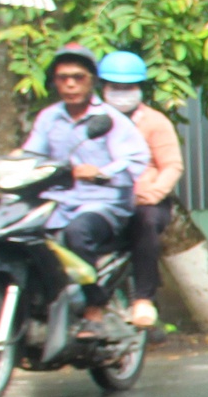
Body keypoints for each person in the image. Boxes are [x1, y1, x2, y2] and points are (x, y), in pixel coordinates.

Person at [21, 45, 149, 336]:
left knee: (78, 232)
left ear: (91, 80)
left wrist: (102, 172)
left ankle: (95, 307)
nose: (69, 84)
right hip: (57, 201)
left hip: (102, 204)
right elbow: (31, 153)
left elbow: (136, 159)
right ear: (54, 82)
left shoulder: (110, 119)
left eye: (77, 77)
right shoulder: (48, 118)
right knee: (22, 235)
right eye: (62, 77)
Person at [98, 50, 182, 328]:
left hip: (145, 201)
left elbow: (172, 166)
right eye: (115, 88)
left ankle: (143, 298)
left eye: (128, 88)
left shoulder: (155, 122)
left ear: (139, 89)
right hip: (101, 199)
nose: (121, 93)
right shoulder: (93, 119)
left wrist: (153, 193)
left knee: (144, 221)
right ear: (103, 88)